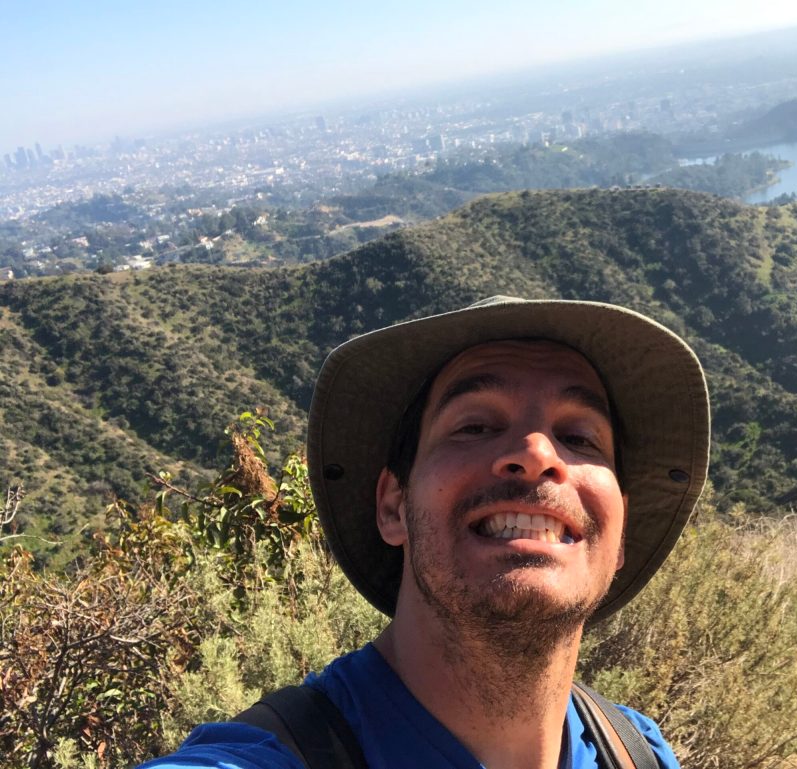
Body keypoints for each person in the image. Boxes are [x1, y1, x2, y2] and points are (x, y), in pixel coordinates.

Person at [140, 295, 710, 769]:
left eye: (580, 438)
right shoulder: (275, 756)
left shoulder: (636, 751)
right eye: (476, 425)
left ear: (620, 533)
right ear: (393, 504)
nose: (536, 454)